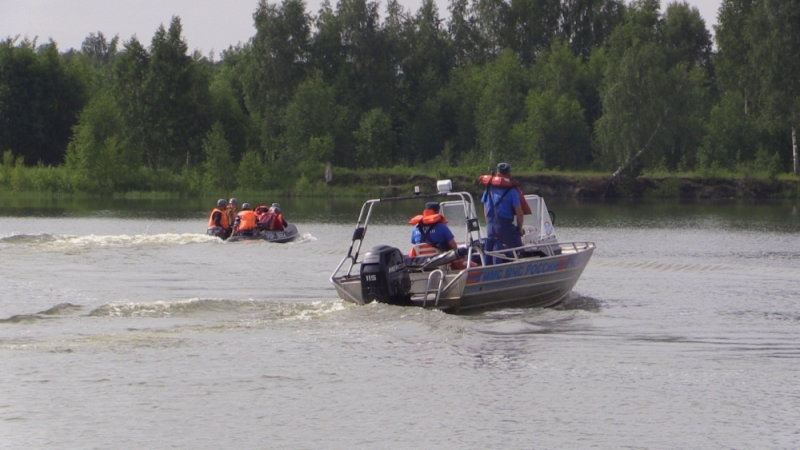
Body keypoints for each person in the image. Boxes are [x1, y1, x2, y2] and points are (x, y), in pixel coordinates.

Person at [481, 162, 525, 265]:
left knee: (493, 249)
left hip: (490, 228)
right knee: (518, 249)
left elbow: (485, 210)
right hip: (505, 228)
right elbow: (519, 214)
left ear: (497, 174)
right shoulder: (512, 191)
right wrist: (519, 229)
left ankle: (490, 268)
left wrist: (490, 224)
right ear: (509, 175)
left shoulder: (488, 189)